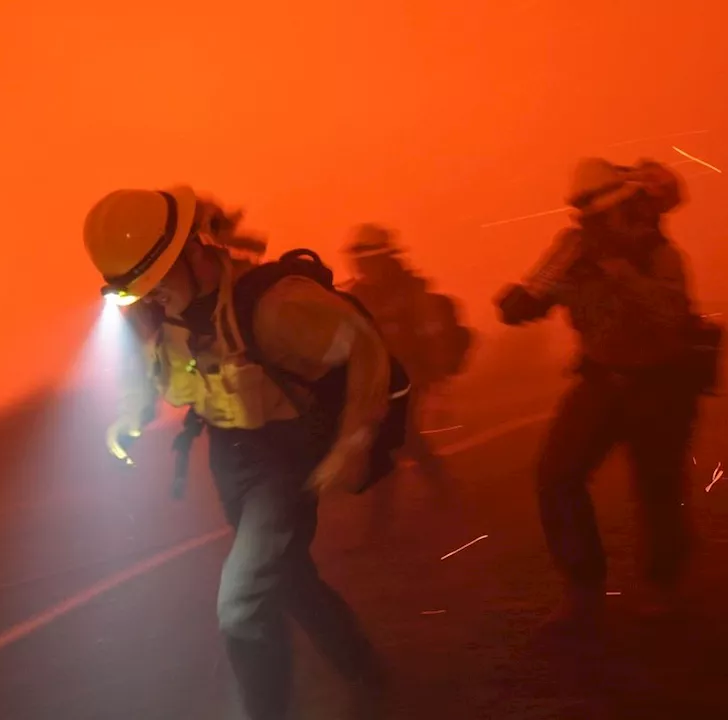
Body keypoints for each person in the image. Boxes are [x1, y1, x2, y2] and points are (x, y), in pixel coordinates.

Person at [83, 187, 392, 719]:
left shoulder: (279, 307)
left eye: (153, 286)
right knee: (291, 579)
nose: (147, 301)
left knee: (242, 603)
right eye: (135, 294)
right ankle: (366, 670)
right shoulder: (156, 311)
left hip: (286, 458)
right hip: (230, 455)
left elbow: (366, 349)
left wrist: (352, 442)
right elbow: (150, 368)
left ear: (193, 254)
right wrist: (130, 415)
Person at [495, 157, 719, 629]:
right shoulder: (573, 249)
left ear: (626, 209)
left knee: (658, 488)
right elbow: (540, 288)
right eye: (586, 218)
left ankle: (663, 585)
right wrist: (520, 303)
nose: (591, 226)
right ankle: (583, 588)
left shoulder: (660, 255)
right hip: (601, 380)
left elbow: (672, 316)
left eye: (600, 216)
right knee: (556, 478)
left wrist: (623, 276)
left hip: (662, 386)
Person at [342, 224, 473, 482]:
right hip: (380, 379)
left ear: (383, 258)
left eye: (366, 260)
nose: (360, 266)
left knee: (397, 433)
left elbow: (432, 336)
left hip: (412, 374)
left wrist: (439, 385)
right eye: (358, 260)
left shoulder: (411, 292)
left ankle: (433, 491)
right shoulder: (359, 295)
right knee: (397, 435)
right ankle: (440, 487)